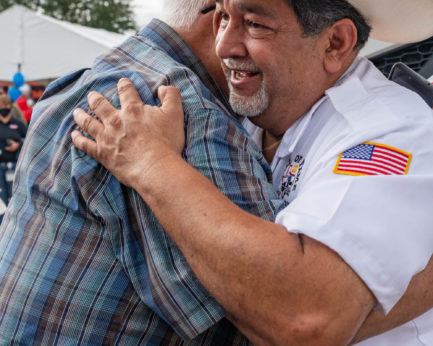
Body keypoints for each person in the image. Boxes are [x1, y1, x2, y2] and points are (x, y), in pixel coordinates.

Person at [71, 0, 433, 344]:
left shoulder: (389, 133)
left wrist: (150, 163)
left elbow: (306, 319)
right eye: (223, 17)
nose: (224, 44)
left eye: (256, 24)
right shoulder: (252, 117)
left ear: (335, 43)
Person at [0, 1, 284, 344]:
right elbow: (280, 314)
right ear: (222, 16)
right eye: (258, 23)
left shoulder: (103, 73)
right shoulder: (184, 110)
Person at [0, 94, 27, 206]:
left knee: (15, 195)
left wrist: (18, 144)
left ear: (10, 107)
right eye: (2, 105)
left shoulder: (18, 124)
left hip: (15, 165)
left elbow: (29, 140)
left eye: (6, 105)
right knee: (1, 199)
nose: (4, 108)